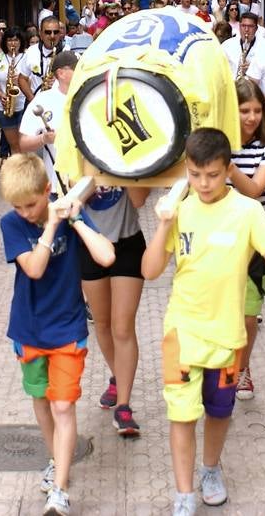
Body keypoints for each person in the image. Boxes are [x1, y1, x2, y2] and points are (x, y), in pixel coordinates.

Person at [142, 129, 265, 515]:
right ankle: (184, 494)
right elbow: (150, 271)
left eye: (213, 175)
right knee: (181, 416)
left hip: (227, 338)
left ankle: (211, 469)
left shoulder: (247, 212)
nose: (204, 184)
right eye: (196, 175)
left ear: (228, 170)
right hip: (180, 334)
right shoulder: (179, 209)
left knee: (220, 412)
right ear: (187, 170)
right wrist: (164, 224)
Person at [0, 154, 115, 516]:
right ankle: (55, 460)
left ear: (47, 190)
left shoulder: (67, 215)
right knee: (42, 401)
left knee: (63, 404)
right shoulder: (12, 223)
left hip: (67, 328)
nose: (24, 212)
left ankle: (60, 490)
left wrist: (76, 218)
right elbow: (33, 268)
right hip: (29, 329)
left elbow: (107, 256)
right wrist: (49, 224)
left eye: (31, 204)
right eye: (17, 206)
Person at [226, 80, 265, 401]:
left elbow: (254, 190)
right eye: (244, 110)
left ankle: (243, 368)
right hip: (219, 242)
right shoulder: (217, 142)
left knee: (249, 316)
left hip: (255, 244)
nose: (251, 117)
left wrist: (227, 165)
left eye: (256, 111)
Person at [80, 181, 153, 437]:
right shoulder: (78, 150)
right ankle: (117, 376)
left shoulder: (133, 153)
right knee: (102, 323)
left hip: (128, 243)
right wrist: (96, 175)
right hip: (89, 244)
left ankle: (123, 405)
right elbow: (73, 195)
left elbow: (139, 199)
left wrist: (125, 169)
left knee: (122, 327)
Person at [19, 51, 77, 193]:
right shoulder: (43, 100)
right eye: (75, 67)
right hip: (55, 186)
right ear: (61, 73)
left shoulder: (89, 95)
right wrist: (44, 138)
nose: (80, 71)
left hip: (85, 186)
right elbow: (23, 143)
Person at [0, 26, 31, 155]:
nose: (13, 43)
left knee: (24, 144)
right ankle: (17, 172)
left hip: (23, 105)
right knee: (14, 145)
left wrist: (21, 81)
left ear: (21, 42)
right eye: (10, 40)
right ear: (5, 42)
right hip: (4, 106)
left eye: (16, 40)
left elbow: (34, 82)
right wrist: (1, 96)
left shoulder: (27, 58)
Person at [221, 12, 265, 83]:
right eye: (243, 26)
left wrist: (253, 70)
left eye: (250, 26)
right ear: (239, 26)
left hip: (254, 89)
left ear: (256, 28)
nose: (246, 30)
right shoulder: (227, 45)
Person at [26, 16, 67, 94]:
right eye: (48, 32)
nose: (52, 36)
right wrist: (32, 100)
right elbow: (22, 79)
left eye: (56, 32)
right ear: (40, 33)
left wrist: (58, 81)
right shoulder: (31, 51)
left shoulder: (67, 51)